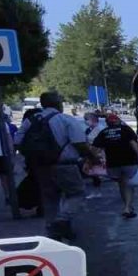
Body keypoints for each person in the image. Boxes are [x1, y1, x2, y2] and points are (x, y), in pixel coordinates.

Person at [16, 91, 101, 240]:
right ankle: (62, 220)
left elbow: (17, 142)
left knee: (49, 199)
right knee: (77, 193)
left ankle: (52, 234)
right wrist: (93, 158)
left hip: (40, 167)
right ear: (58, 104)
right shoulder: (65, 119)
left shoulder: (31, 120)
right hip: (65, 165)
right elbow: (80, 143)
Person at [93, 113, 138, 218]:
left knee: (121, 184)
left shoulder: (103, 132)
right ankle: (128, 207)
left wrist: (94, 160)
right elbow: (133, 144)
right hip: (129, 162)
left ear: (107, 123)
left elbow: (95, 149)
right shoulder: (126, 129)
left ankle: (128, 207)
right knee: (128, 184)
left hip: (113, 164)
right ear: (118, 121)